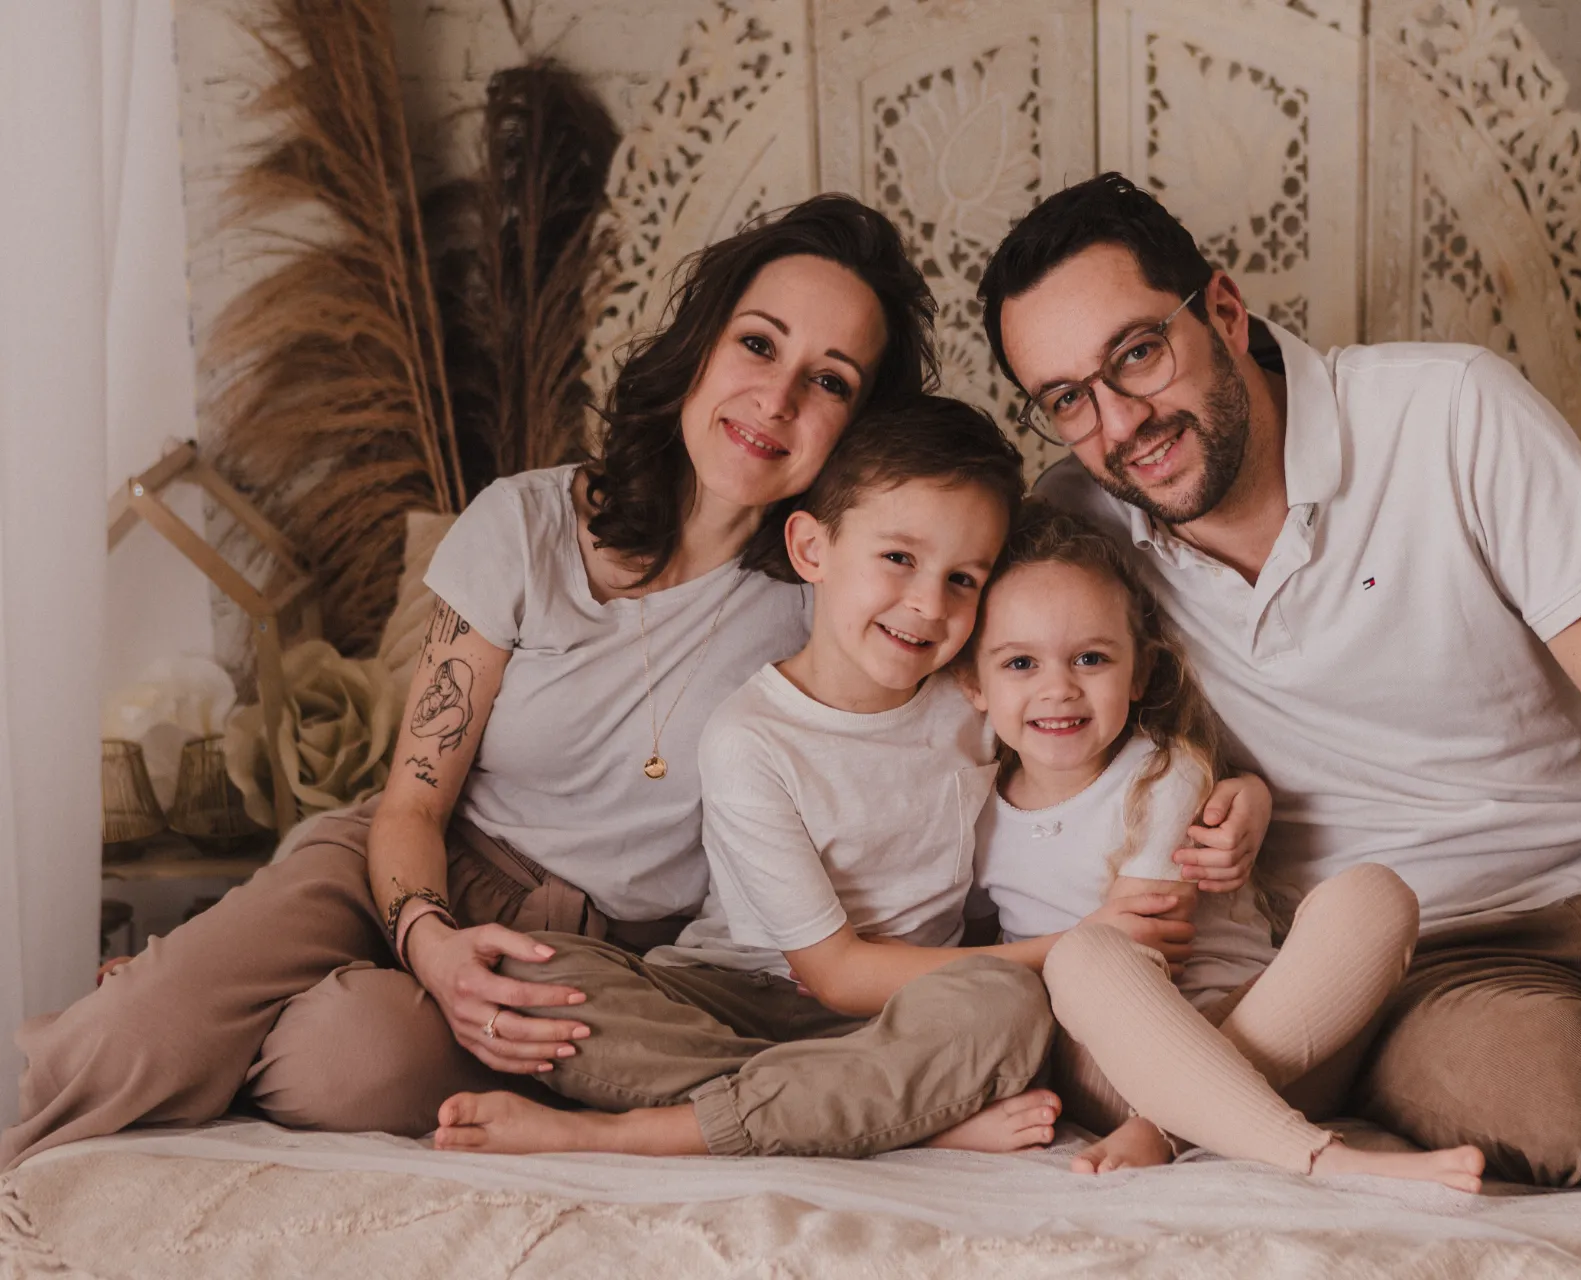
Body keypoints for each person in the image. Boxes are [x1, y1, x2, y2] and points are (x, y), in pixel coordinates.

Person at [974, 172, 1581, 1189]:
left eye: (1139, 354)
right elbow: (906, 597)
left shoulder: (1447, 410)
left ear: (1224, 310)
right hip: (1426, 960)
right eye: (1069, 399)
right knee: (1575, 1097)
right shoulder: (1083, 530)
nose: (1120, 421)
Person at [2, 195, 959, 1171]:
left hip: (595, 958)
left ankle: (200, 1021)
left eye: (830, 381)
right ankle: (154, 1019)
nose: (779, 398)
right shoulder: (525, 523)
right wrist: (430, 946)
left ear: (857, 426)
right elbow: (412, 800)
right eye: (759, 343)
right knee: (127, 1033)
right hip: (406, 864)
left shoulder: (830, 599)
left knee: (345, 1062)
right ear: (701, 342)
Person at [430, 397, 1260, 1158]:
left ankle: (646, 1134)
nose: (928, 605)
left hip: (913, 1016)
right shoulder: (750, 739)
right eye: (898, 557)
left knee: (1004, 1012)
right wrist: (1072, 948)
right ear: (812, 548)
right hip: (737, 996)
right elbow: (830, 972)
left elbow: (1130, 757)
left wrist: (1244, 797)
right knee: (534, 976)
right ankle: (893, 1115)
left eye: (963, 580)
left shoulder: (976, 698)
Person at [962, 501, 1483, 1191]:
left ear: (1140, 673)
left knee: (1375, 895)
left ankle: (1169, 1127)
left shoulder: (1165, 774)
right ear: (973, 684)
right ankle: (1322, 1159)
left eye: (1092, 658)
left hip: (1286, 1039)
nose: (1059, 687)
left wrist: (1252, 791)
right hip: (1115, 1065)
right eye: (1021, 662)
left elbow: (1156, 931)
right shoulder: (973, 813)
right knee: (1084, 956)